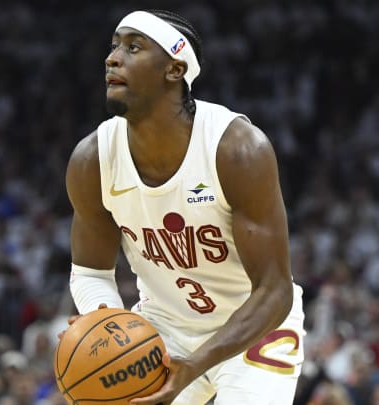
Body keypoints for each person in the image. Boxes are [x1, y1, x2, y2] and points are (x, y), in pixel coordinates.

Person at [64, 9, 305, 405]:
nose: (112, 58)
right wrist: (108, 326)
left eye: (133, 47)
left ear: (174, 70)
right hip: (165, 327)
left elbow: (275, 291)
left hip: (256, 325)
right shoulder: (92, 159)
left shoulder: (237, 149)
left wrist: (195, 365)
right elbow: (90, 273)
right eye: (113, 47)